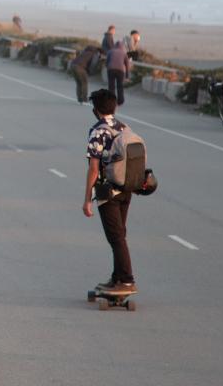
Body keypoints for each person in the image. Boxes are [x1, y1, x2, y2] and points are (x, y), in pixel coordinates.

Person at [82, 89, 137, 294]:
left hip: (108, 190)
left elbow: (94, 168)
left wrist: (87, 199)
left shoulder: (98, 131)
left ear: (95, 109)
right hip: (126, 188)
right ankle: (117, 278)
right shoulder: (124, 128)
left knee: (116, 237)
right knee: (120, 234)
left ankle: (127, 280)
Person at [105, 40, 131, 106]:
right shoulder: (124, 53)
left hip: (111, 70)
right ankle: (120, 101)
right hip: (120, 71)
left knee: (111, 86)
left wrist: (107, 67)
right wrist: (127, 76)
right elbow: (127, 65)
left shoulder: (110, 51)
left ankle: (111, 101)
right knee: (120, 86)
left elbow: (107, 61)